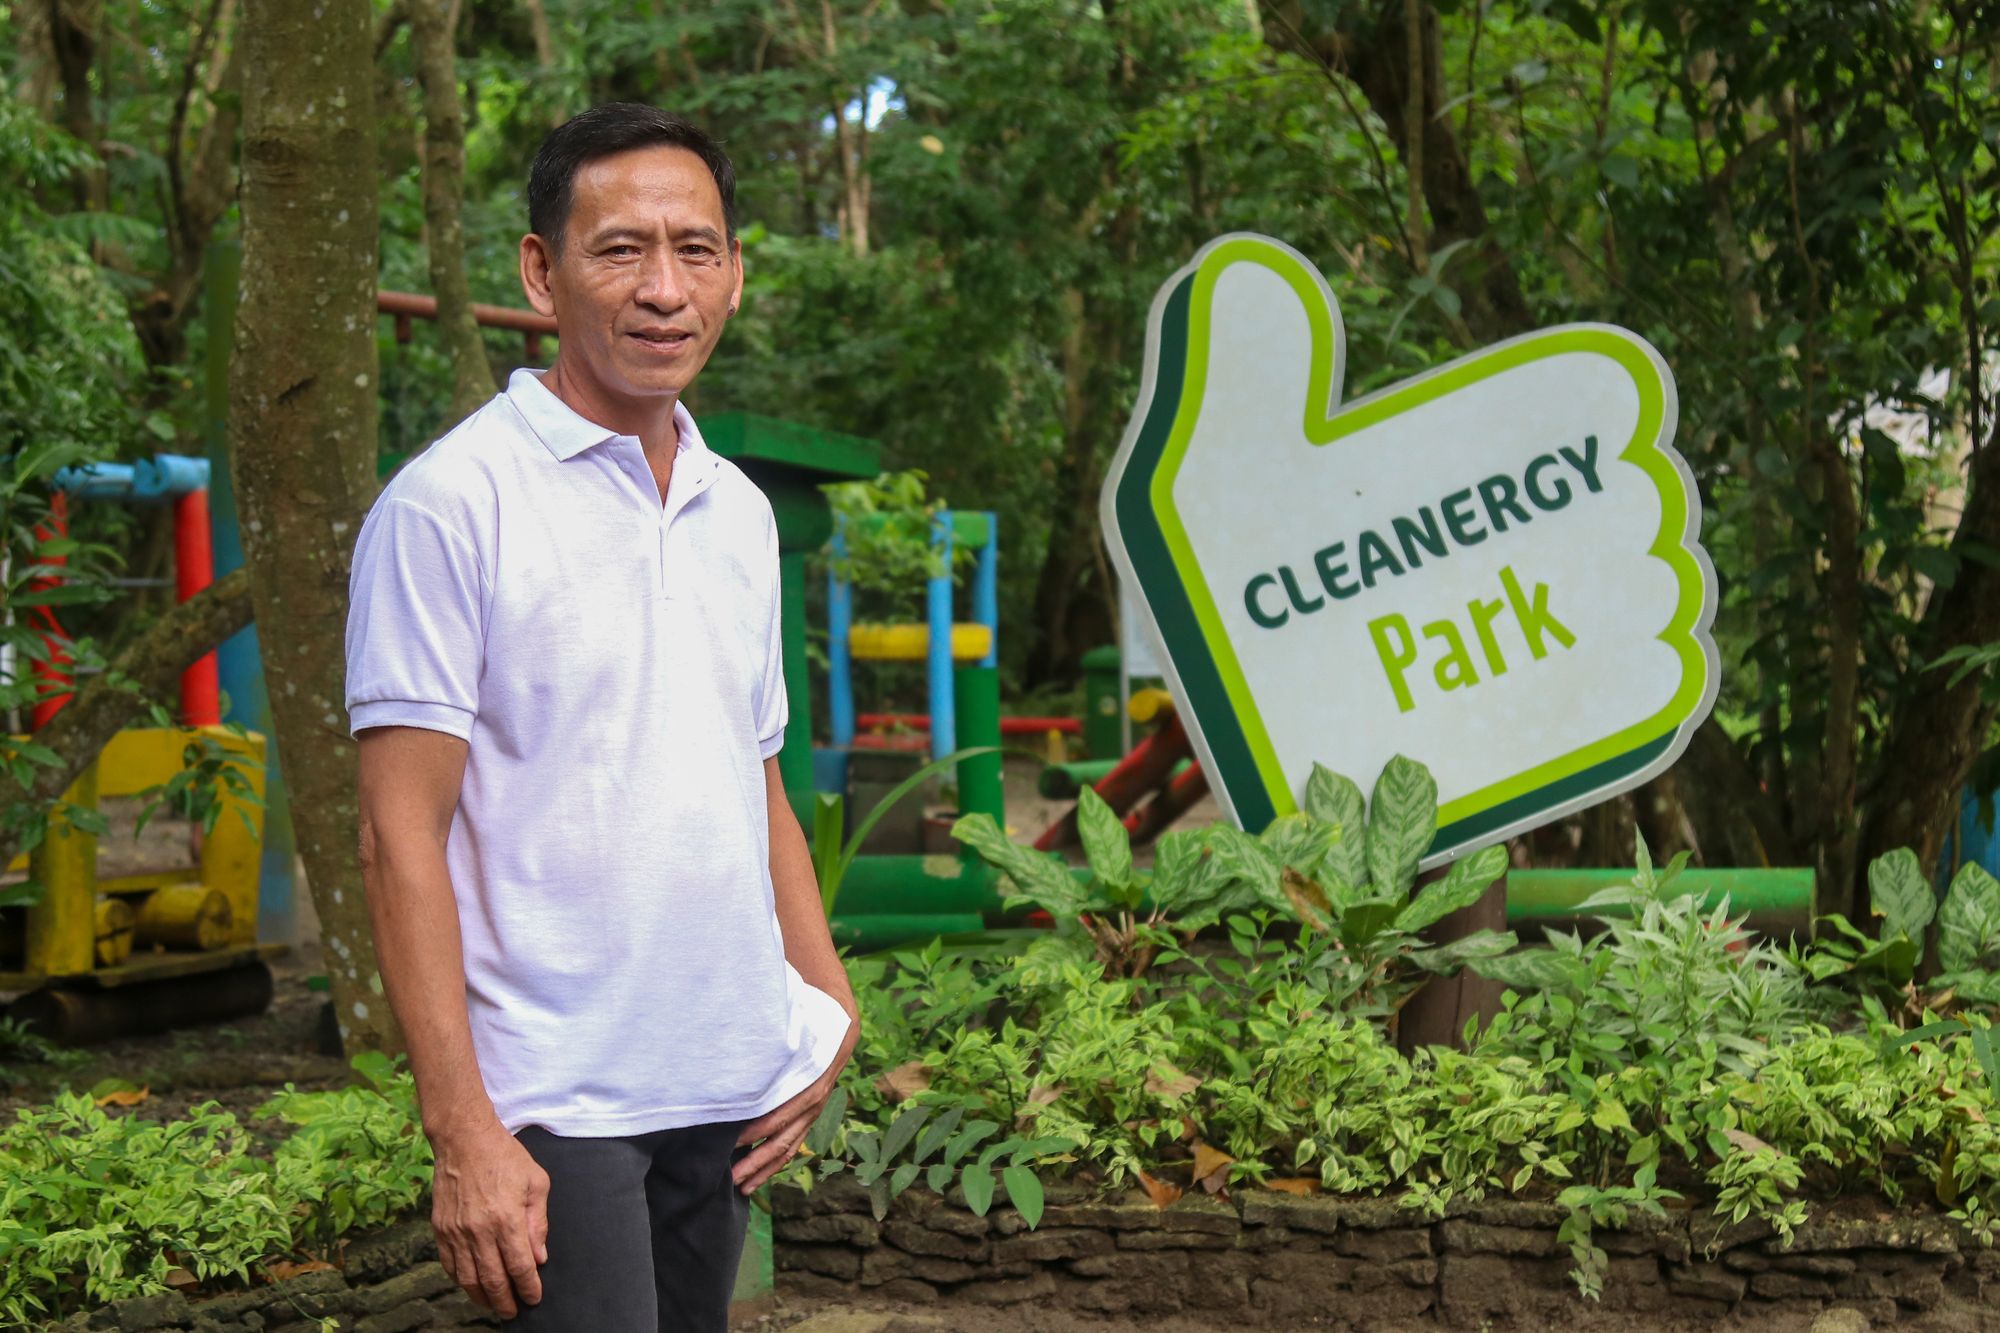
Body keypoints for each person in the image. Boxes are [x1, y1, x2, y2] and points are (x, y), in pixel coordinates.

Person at [344, 104, 857, 1332]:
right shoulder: (449, 505)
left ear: (734, 272)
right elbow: (396, 833)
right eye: (620, 249)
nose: (663, 289)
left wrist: (827, 1007)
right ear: (542, 272)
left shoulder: (738, 512)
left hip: (721, 1081)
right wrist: (463, 1129)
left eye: (695, 249)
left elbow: (755, 780)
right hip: (552, 1097)